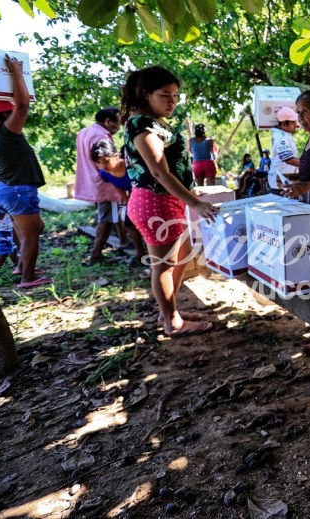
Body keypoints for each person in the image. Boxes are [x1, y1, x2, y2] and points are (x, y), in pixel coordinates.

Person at [121, 65, 217, 338]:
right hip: (156, 202)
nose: (172, 101)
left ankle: (170, 310)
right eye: (165, 95)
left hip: (167, 201)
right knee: (163, 265)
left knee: (179, 258)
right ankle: (172, 322)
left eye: (175, 95)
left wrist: (189, 196)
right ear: (145, 94)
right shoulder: (142, 123)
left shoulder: (152, 120)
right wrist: (195, 203)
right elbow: (159, 170)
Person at [0, 55, 50, 288]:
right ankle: (27, 277)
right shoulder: (7, 132)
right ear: (6, 115)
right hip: (16, 190)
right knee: (31, 235)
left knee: (31, 228)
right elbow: (23, 105)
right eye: (11, 112)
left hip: (3, 190)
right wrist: (16, 72)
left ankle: (22, 265)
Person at [75, 107, 127, 266]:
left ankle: (124, 240)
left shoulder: (85, 131)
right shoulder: (101, 135)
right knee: (106, 218)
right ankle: (96, 254)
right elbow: (107, 162)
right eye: (117, 123)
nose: (118, 128)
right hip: (103, 182)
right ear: (108, 121)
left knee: (113, 212)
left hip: (91, 179)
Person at [89, 138, 147, 265]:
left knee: (146, 223)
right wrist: (127, 201)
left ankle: (154, 253)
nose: (103, 166)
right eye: (99, 162)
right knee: (129, 224)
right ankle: (140, 252)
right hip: (133, 196)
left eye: (106, 161)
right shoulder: (105, 173)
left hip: (146, 194)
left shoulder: (131, 166)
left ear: (116, 156)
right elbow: (116, 185)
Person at [268, 106, 300, 195]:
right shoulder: (281, 137)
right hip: (280, 183)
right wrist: (308, 165)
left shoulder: (285, 135)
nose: (296, 125)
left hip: (284, 181)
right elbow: (288, 159)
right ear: (284, 124)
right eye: (293, 122)